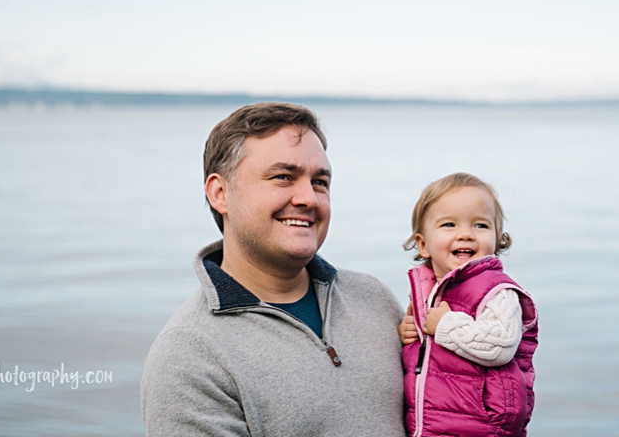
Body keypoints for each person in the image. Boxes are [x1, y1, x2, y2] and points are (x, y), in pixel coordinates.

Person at [141, 102, 405, 436]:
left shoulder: (373, 298)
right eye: (283, 177)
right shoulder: (190, 354)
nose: (309, 198)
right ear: (220, 193)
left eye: (320, 182)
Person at [395, 173, 538, 436]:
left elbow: (501, 345)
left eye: (480, 226)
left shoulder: (496, 290)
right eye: (449, 224)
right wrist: (410, 333)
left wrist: (446, 326)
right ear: (423, 244)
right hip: (433, 424)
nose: (465, 234)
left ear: (497, 238)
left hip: (482, 426)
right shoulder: (428, 289)